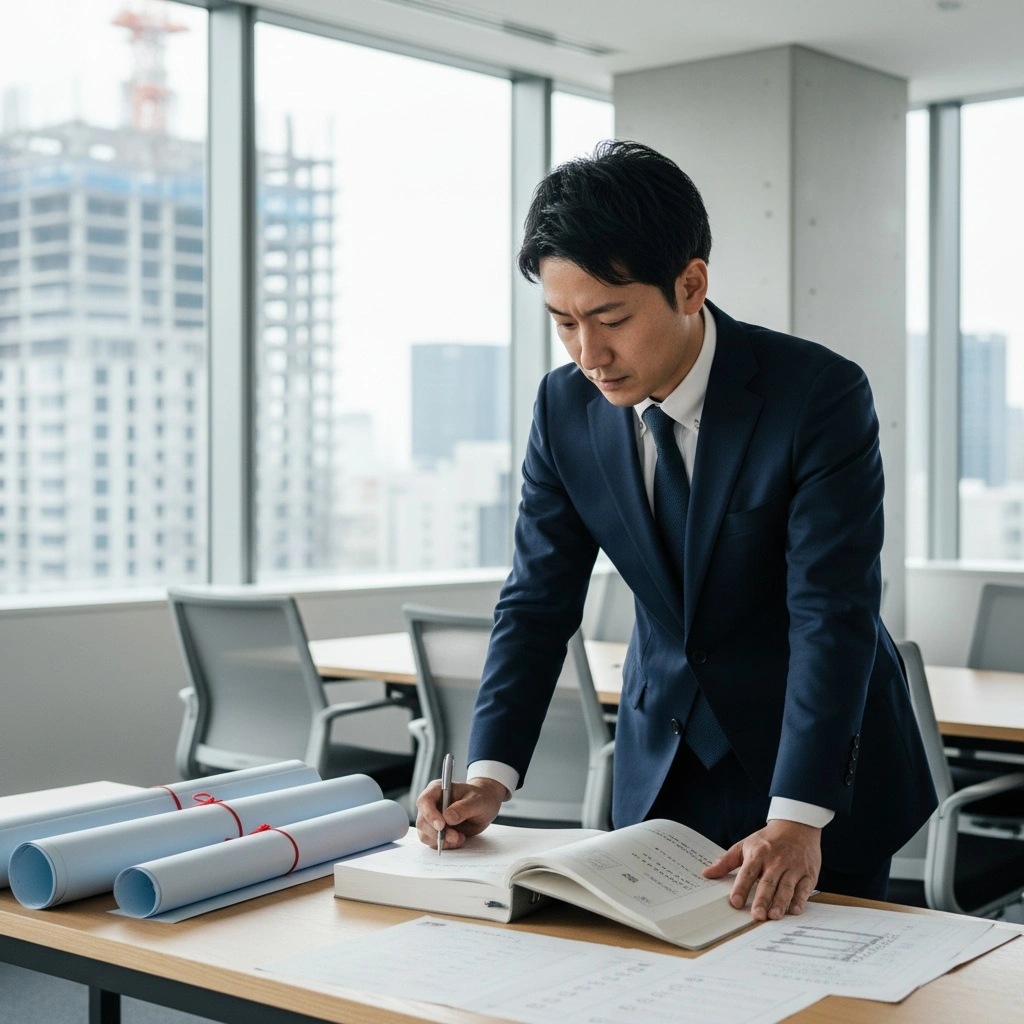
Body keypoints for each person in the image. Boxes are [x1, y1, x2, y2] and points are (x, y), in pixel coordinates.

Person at [415, 140, 936, 921]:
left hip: (811, 772)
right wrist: (489, 775)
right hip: (661, 763)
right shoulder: (564, 408)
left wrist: (799, 817)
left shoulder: (816, 395)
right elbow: (536, 602)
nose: (590, 354)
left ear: (690, 285)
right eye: (564, 323)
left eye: (610, 319)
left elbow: (831, 612)